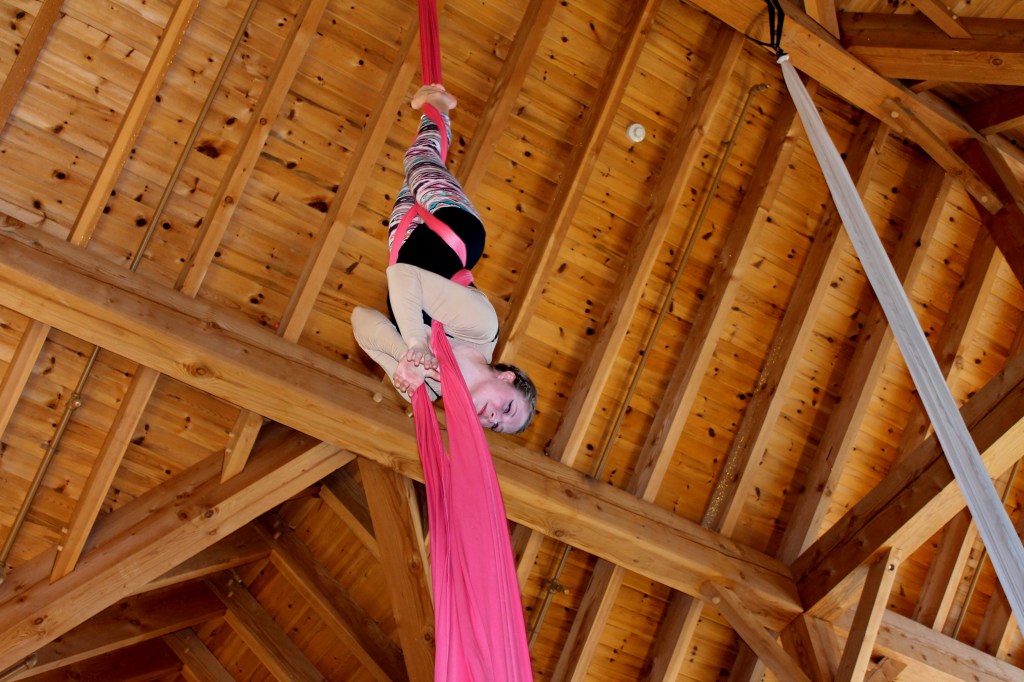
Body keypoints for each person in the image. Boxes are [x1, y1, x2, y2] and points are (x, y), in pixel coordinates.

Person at [352, 84, 536, 434]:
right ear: (507, 377)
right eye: (508, 407)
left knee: (413, 173)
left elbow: (361, 320)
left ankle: (435, 112)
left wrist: (406, 360)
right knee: (419, 161)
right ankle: (439, 106)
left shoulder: (426, 389)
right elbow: (403, 276)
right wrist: (417, 343)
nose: (494, 417)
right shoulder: (482, 328)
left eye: (496, 425)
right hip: (453, 228)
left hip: (405, 239)